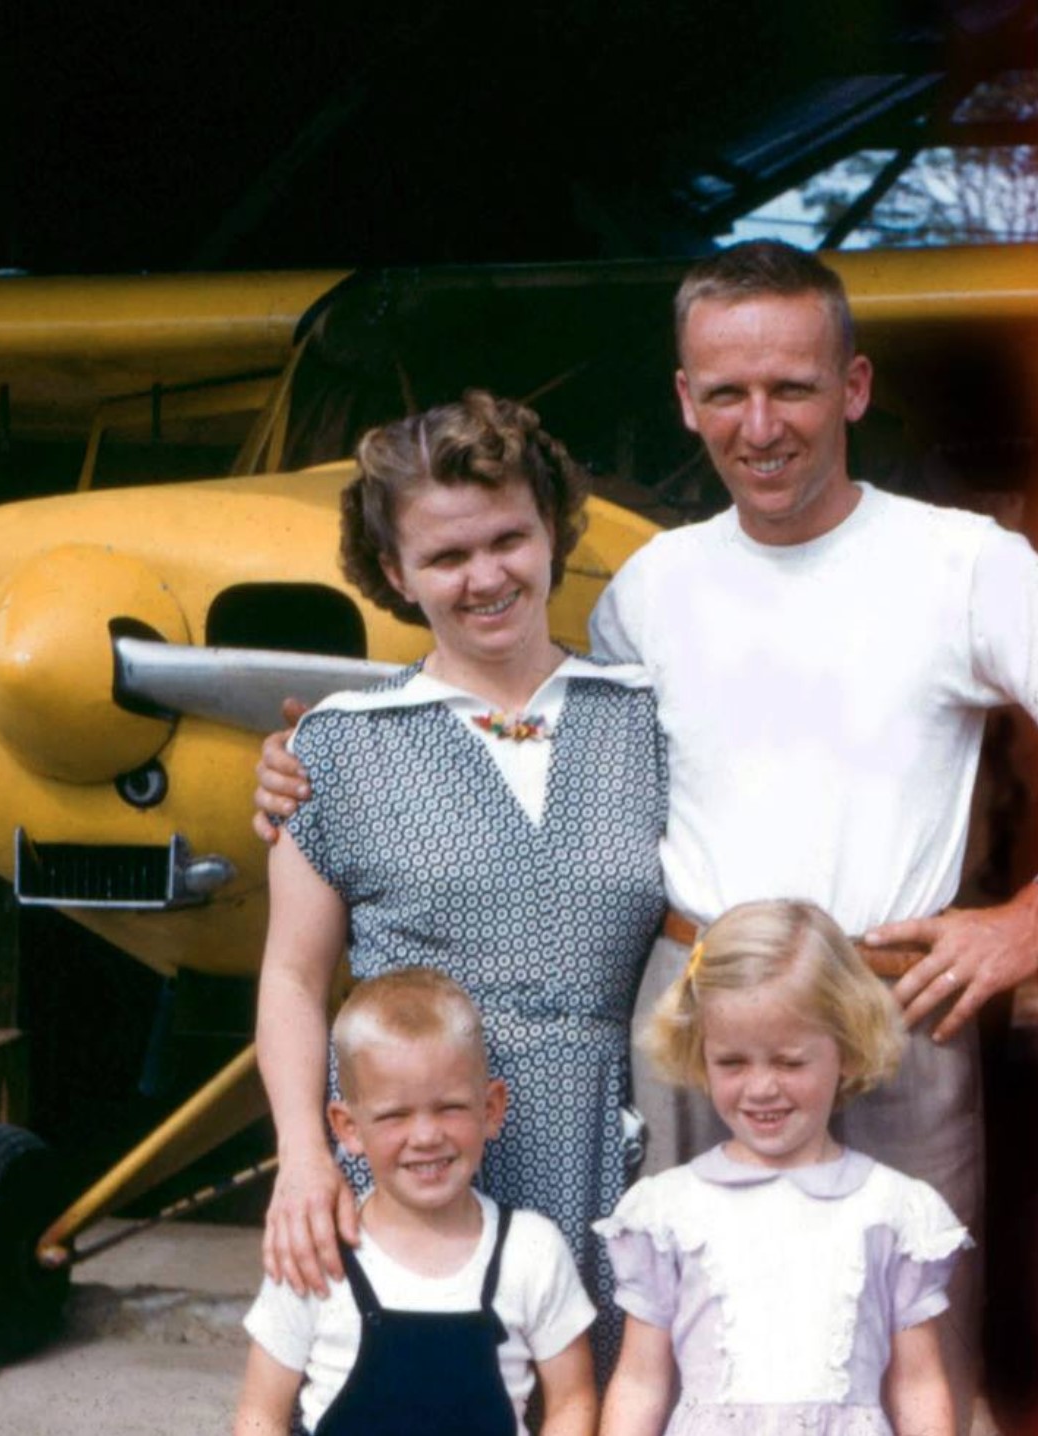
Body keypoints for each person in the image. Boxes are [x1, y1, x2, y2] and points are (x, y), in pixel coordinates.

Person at [252, 239, 1037, 1431]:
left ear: (855, 387)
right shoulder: (650, 592)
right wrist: (306, 766)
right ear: (685, 400)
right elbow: (496, 703)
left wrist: (1024, 923)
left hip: (887, 1002)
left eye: (793, 386)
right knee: (657, 1370)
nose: (759, 423)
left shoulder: (964, 562)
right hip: (682, 1020)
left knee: (910, 1371)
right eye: (725, 391)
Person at [254, 390, 667, 1383]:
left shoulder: (649, 715)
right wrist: (303, 1156)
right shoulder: (340, 744)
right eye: (445, 556)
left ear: (553, 530)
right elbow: (292, 978)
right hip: (417, 1160)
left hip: (610, 1148)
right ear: (394, 571)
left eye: (507, 539)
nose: (485, 576)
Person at [594, 899, 971, 1436]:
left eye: (790, 1061)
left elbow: (918, 1383)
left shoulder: (893, 1209)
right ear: (699, 1053)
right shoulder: (667, 1209)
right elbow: (640, 1380)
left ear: (846, 1047)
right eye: (732, 1062)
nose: (762, 1087)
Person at [235, 968, 598, 1435]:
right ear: (348, 1127)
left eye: (449, 1107)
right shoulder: (321, 1253)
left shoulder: (531, 1251)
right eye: (395, 1115)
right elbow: (259, 1414)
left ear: (491, 1109)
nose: (426, 1136)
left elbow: (573, 1402)